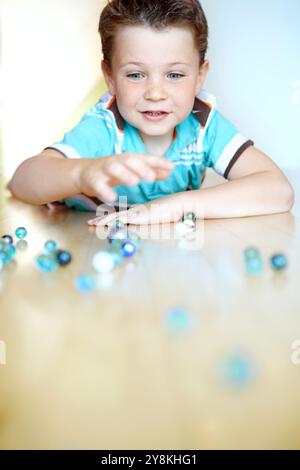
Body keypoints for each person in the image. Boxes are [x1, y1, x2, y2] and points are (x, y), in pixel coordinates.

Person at [8, 0, 294, 226]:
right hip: (86, 237)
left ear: (199, 76)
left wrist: (175, 207)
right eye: (135, 75)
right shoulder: (105, 126)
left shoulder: (203, 123)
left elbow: (278, 190)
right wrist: (84, 173)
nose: (155, 93)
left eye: (174, 75)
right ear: (109, 77)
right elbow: (20, 181)